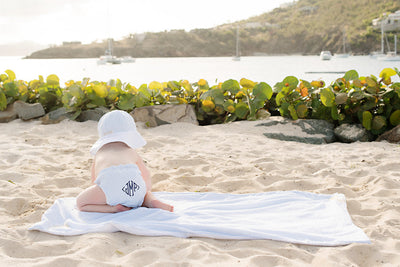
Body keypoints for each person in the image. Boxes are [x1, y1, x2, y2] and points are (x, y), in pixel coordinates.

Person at [76, 110, 174, 213]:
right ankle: (152, 201)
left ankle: (113, 209)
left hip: (110, 185)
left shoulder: (99, 153)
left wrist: (102, 194)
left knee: (81, 203)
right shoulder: (131, 151)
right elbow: (146, 175)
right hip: (134, 187)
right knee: (144, 193)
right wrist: (145, 191)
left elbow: (94, 179)